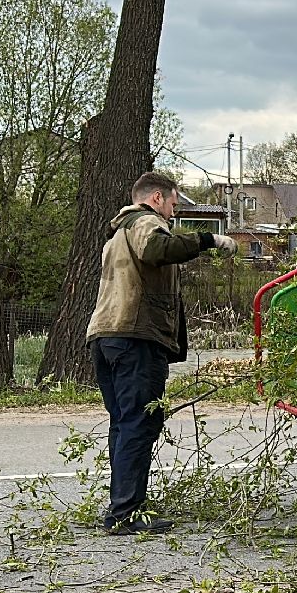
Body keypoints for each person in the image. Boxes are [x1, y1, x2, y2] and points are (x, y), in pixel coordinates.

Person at [87, 171, 236, 534]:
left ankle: (123, 505)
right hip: (135, 337)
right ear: (156, 198)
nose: (173, 212)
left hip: (107, 336)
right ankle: (124, 513)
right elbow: (157, 249)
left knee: (124, 423)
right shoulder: (144, 222)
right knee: (139, 423)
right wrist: (209, 239)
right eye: (172, 204)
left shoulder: (117, 232)